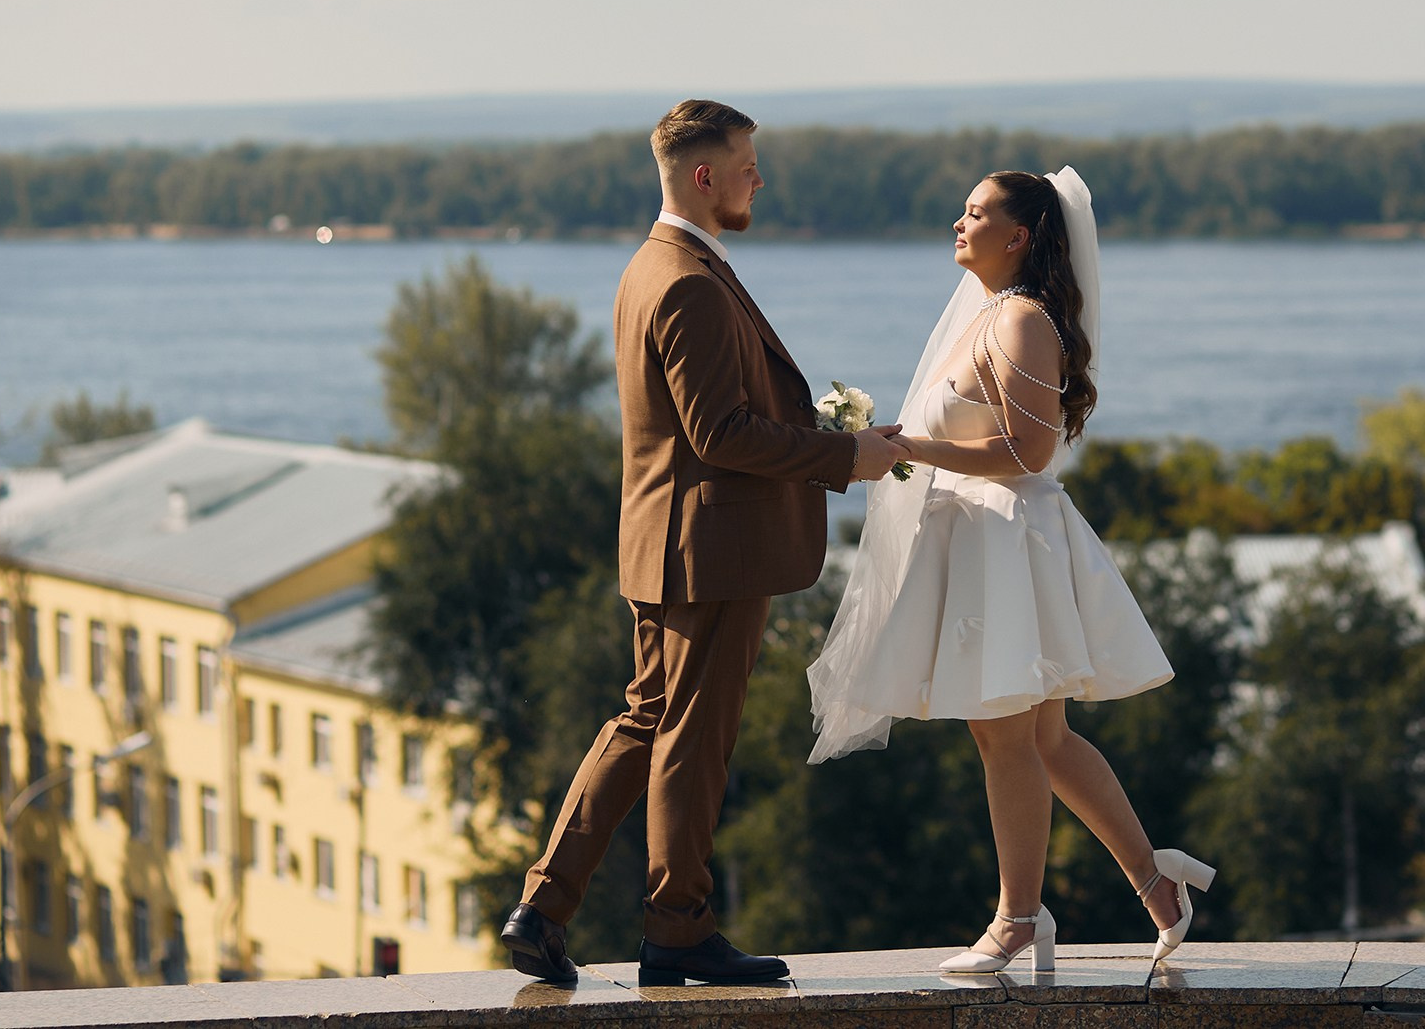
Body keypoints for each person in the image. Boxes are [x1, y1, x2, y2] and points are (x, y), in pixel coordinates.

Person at [500, 99, 907, 988]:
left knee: (647, 720)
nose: (760, 177)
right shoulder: (685, 278)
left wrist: (826, 434)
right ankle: (676, 929)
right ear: (703, 175)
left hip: (671, 540)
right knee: (691, 737)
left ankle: (542, 907)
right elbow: (720, 433)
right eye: (748, 162)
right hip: (710, 548)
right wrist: (847, 456)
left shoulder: (653, 266)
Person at [807, 168, 1216, 972]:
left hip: (1008, 543)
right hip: (984, 543)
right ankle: (1155, 879)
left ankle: (1019, 916)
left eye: (976, 213)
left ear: (1020, 235)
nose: (958, 223)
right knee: (1047, 738)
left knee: (1006, 737)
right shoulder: (983, 315)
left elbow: (1029, 452)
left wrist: (910, 448)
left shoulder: (1022, 320)